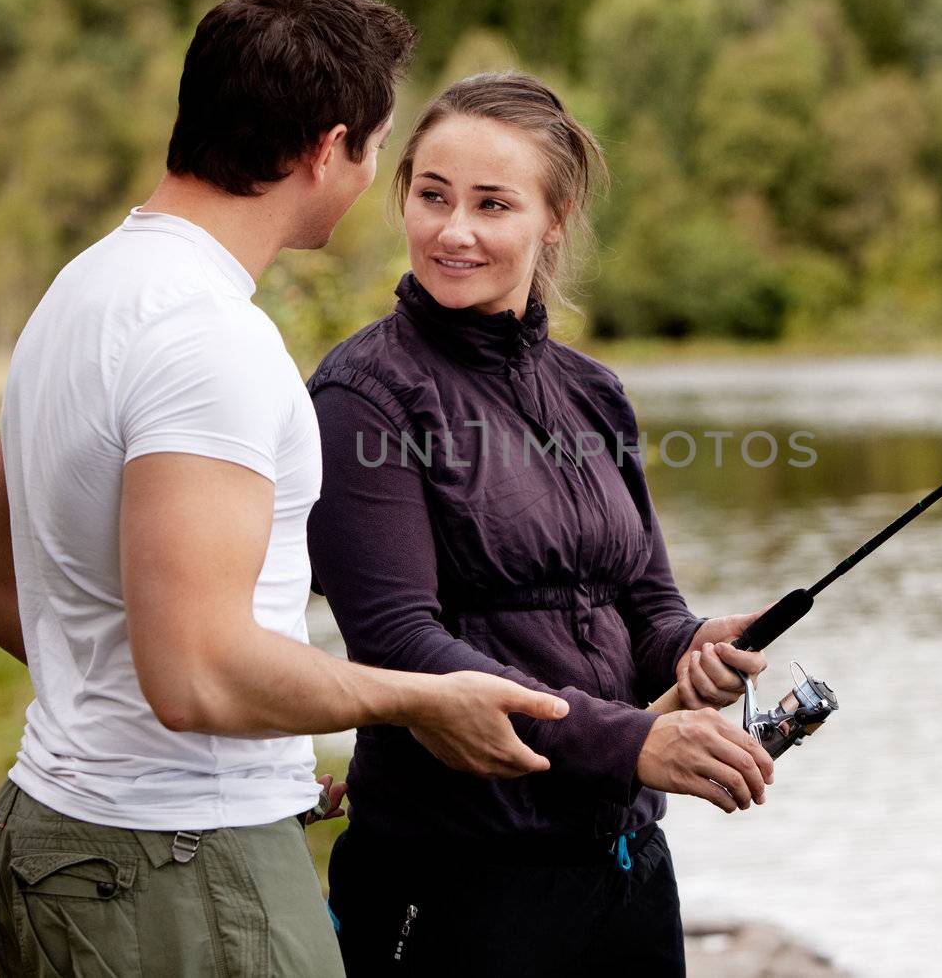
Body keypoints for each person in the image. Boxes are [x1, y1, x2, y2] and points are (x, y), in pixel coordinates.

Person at [0, 0, 570, 978]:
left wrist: (254, 752)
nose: (371, 174)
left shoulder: (84, 289)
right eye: (376, 149)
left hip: (66, 838)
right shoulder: (211, 342)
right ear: (328, 149)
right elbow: (195, 673)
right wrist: (418, 698)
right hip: (178, 870)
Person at [305, 72, 777, 976]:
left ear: (553, 218)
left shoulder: (593, 392)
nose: (455, 230)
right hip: (453, 880)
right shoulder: (362, 397)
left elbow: (647, 607)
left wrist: (695, 647)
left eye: (493, 204)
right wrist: (636, 740)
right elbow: (405, 645)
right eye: (433, 196)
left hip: (624, 871)